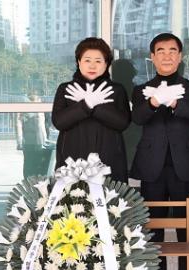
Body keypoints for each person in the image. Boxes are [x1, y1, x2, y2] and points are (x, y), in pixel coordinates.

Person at [130, 33, 189, 270]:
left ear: (180, 56)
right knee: (153, 230)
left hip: (184, 167)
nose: (166, 55)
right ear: (152, 57)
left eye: (172, 50)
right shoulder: (141, 90)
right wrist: (154, 101)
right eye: (160, 51)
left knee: (187, 230)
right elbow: (137, 117)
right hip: (151, 168)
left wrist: (174, 102)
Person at [52, 37, 130, 182]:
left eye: (98, 61)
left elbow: (122, 123)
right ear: (79, 62)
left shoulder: (116, 90)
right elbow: (59, 122)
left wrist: (95, 106)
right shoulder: (66, 89)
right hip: (72, 161)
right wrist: (86, 104)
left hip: (109, 160)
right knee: (72, 196)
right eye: (87, 60)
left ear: (106, 64)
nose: (92, 66)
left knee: (111, 195)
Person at [17, 92, 51, 178]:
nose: (40, 101)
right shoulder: (24, 111)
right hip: (30, 141)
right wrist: (20, 140)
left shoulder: (39, 111)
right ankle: (28, 182)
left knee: (34, 164)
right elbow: (19, 126)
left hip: (37, 141)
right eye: (38, 100)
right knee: (30, 164)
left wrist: (45, 139)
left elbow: (42, 126)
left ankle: (32, 182)